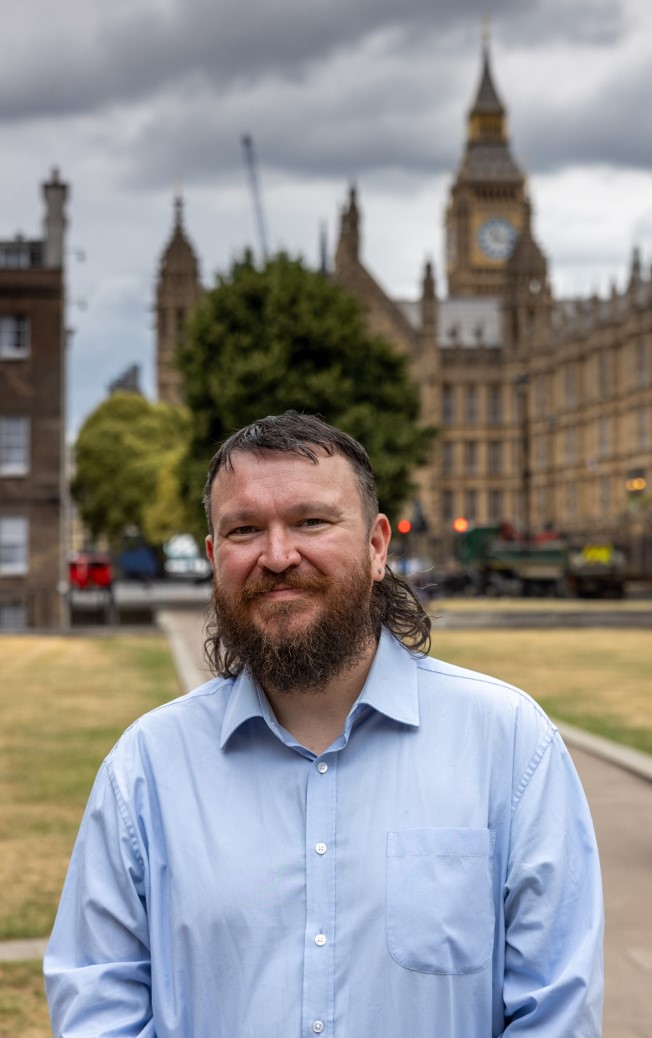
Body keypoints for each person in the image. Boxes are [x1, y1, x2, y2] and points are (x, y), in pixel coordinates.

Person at [45, 411, 603, 1037]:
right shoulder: (145, 768)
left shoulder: (509, 745)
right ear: (213, 556)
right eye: (244, 529)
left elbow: (557, 1014)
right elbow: (98, 1004)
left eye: (311, 521)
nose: (278, 556)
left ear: (376, 546)